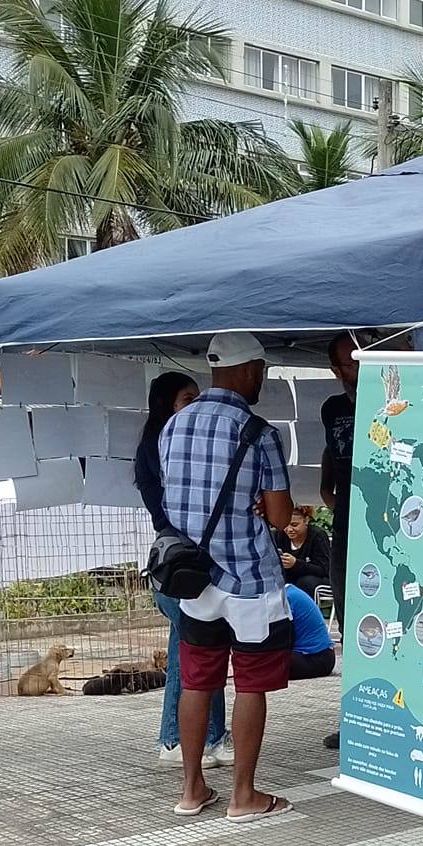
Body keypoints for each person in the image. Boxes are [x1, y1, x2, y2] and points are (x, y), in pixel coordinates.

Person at [159, 331, 296, 821]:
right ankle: (244, 795)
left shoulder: (174, 426)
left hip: (193, 579)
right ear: (246, 369)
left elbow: (173, 497)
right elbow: (280, 517)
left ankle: (192, 790)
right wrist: (264, 505)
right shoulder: (258, 432)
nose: (262, 379)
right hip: (249, 579)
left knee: (197, 681)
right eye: (261, 369)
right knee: (251, 685)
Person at [135, 371, 226, 767]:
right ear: (167, 405)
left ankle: (212, 737)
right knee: (192, 648)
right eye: (187, 399)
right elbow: (171, 512)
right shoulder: (159, 449)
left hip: (193, 561)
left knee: (203, 645)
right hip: (180, 563)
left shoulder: (185, 444)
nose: (197, 406)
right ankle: (175, 741)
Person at [320, 331, 361, 750]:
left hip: (388, 523)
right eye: (348, 361)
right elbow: (331, 450)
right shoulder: (332, 408)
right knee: (352, 621)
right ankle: (357, 715)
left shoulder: (395, 397)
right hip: (347, 523)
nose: (356, 368)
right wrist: (326, 487)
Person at [275, 507, 331, 601]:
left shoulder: (317, 536)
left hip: (316, 580)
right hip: (289, 579)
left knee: (305, 582)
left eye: (294, 525)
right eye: (285, 525)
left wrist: (296, 564)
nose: (289, 529)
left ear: (306, 520)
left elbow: (324, 569)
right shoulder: (279, 535)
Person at [284, 583, 336, 680]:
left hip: (316, 658)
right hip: (323, 656)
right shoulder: (289, 592)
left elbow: (281, 639)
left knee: (262, 662)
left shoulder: (285, 597)